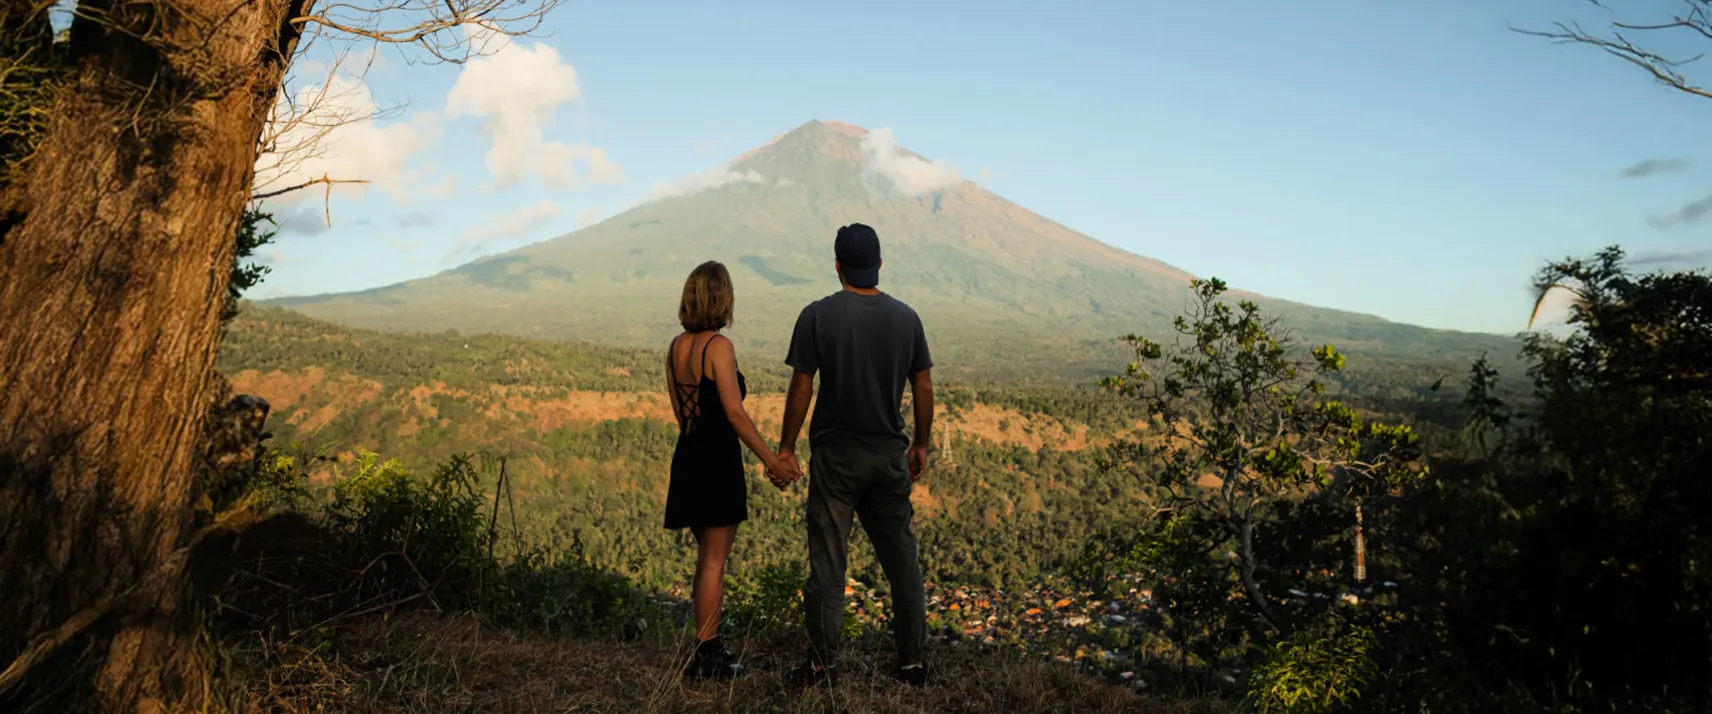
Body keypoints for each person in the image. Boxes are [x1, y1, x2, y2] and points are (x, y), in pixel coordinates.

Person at [775, 223, 935, 687]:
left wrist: (786, 448)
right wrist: (921, 443)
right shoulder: (907, 318)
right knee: (902, 559)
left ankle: (823, 663)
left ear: (838, 265)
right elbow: (922, 384)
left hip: (837, 458)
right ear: (880, 264)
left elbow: (802, 386)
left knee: (829, 561)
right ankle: (912, 661)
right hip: (889, 456)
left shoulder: (817, 316)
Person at [664, 260, 794, 680]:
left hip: (688, 456)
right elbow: (735, 415)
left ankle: (706, 650)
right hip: (717, 461)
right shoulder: (718, 348)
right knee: (715, 563)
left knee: (706, 560)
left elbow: (683, 416)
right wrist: (772, 460)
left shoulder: (676, 347)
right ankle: (708, 655)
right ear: (723, 298)